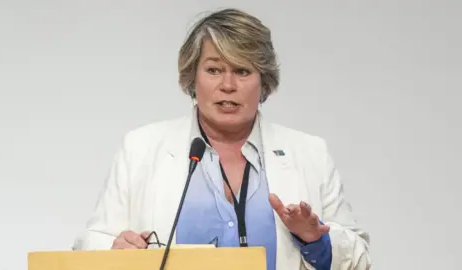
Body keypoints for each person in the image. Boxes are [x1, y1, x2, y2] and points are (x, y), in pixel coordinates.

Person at [73, 8, 371, 270]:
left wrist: (316, 240)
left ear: (263, 80)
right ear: (193, 77)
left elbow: (359, 258)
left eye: (242, 71)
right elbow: (89, 245)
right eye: (214, 70)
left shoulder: (309, 154)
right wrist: (115, 250)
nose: (227, 85)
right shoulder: (141, 148)